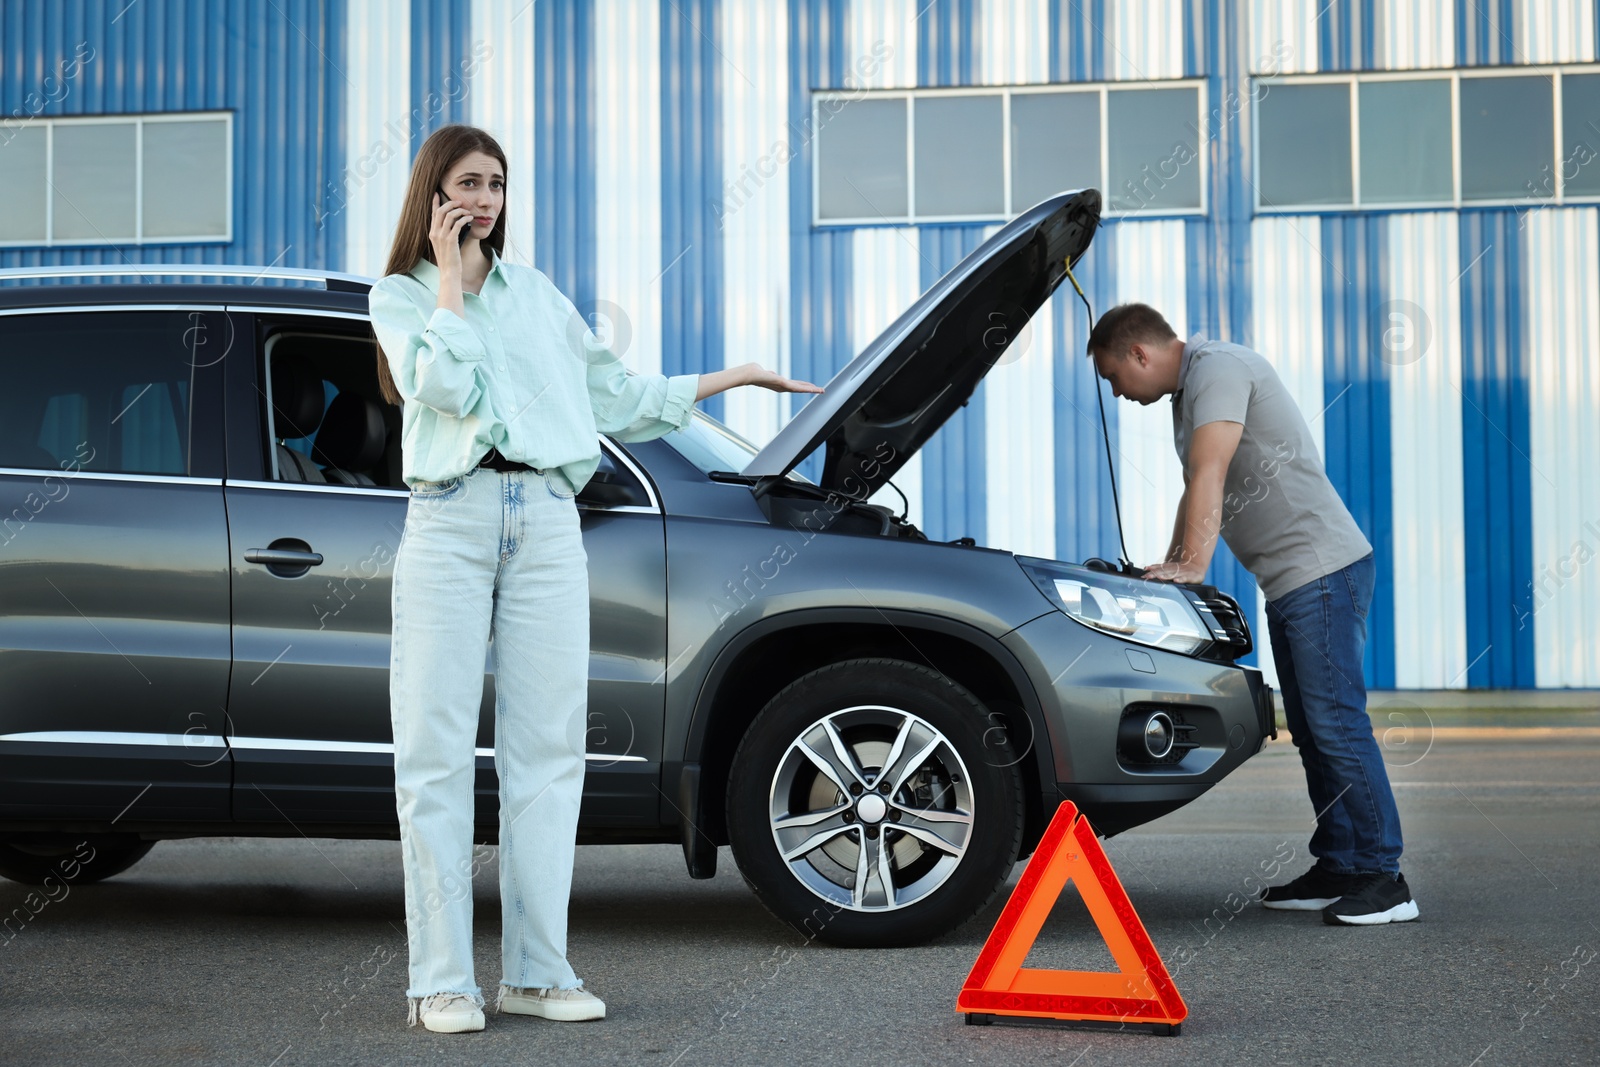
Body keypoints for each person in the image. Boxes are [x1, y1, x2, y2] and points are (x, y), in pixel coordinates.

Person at [368, 124, 823, 1034]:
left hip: (545, 522)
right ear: (432, 193)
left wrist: (728, 378)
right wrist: (452, 284)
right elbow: (442, 390)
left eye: (498, 183)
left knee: (547, 758)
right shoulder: (403, 296)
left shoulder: (537, 296)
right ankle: (441, 980)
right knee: (436, 756)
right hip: (451, 519)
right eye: (469, 183)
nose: (487, 199)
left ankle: (536, 971)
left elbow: (610, 393)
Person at [1086, 302, 1418, 927]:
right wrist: (1168, 567)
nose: (1117, 393)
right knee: (1314, 730)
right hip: (1292, 582)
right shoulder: (1188, 395)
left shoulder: (1219, 368)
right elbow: (1196, 488)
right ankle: (1341, 864)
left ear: (1139, 354)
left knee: (1337, 724)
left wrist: (1192, 567)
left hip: (1322, 571)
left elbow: (1210, 471)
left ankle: (1384, 877)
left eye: (1113, 378)